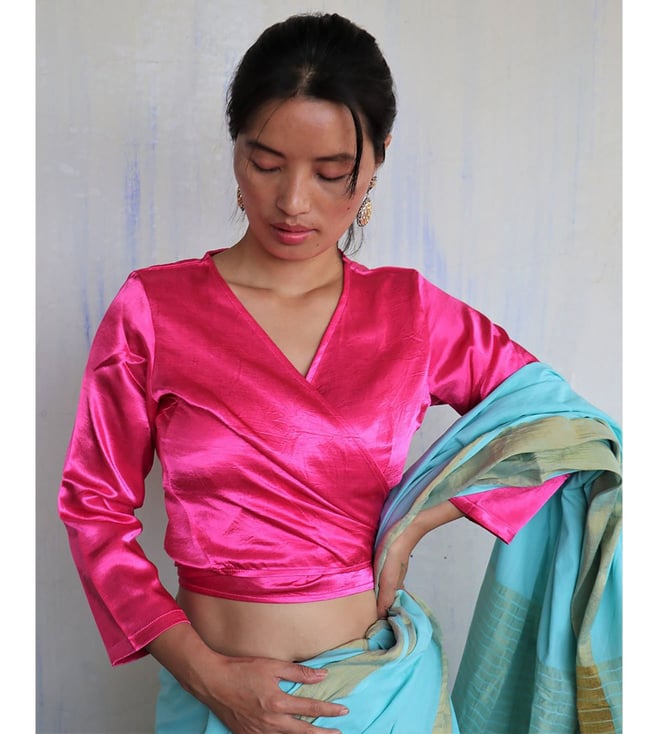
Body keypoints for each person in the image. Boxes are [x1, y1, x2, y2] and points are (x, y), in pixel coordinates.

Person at [58, 12, 622, 734]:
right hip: (212, 698)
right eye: (266, 163)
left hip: (382, 698)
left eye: (331, 174)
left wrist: (419, 521)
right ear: (236, 149)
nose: (294, 201)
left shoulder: (411, 313)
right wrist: (209, 679)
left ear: (375, 161)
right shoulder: (154, 311)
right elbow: (93, 508)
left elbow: (572, 433)